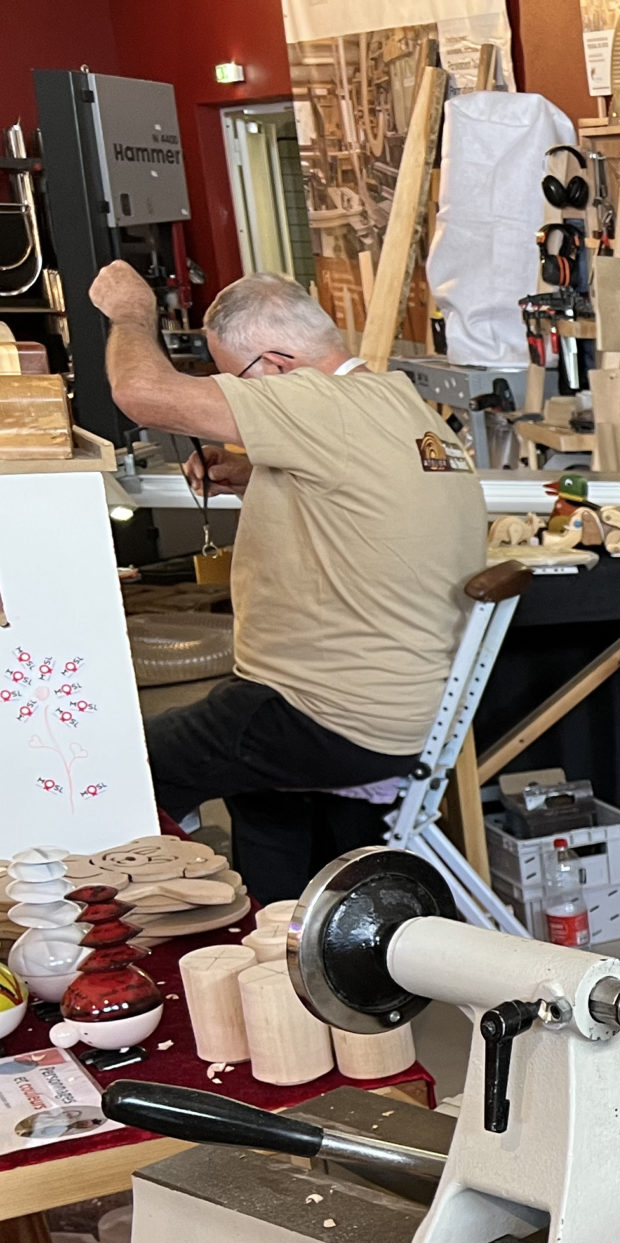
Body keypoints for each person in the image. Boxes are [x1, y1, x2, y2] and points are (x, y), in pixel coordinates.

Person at [86, 263, 486, 906]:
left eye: (234, 381)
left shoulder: (316, 401)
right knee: (259, 795)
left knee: (112, 765)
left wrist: (132, 313)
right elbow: (362, 495)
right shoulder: (402, 408)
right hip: (396, 713)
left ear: (275, 363)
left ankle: (140, 942)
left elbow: (141, 392)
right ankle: (281, 952)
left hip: (323, 714)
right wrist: (253, 474)